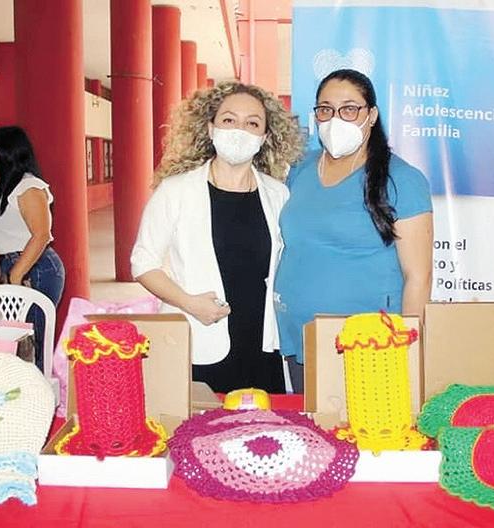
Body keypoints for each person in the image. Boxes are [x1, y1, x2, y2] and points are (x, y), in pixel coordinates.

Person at [131, 81, 304, 393]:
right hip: (199, 335)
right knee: (201, 421)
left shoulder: (278, 194)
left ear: (265, 137)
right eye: (229, 120)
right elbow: (143, 263)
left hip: (261, 343)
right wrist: (189, 303)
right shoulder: (175, 191)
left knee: (264, 420)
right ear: (210, 128)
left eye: (252, 123)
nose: (240, 130)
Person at [274, 69, 434, 393]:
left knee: (365, 423)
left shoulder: (402, 179)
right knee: (311, 422)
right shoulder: (301, 168)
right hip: (298, 334)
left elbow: (419, 276)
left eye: (349, 109)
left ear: (371, 115)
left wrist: (407, 349)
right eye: (326, 109)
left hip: (369, 343)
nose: (335, 119)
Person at [0, 126, 65, 372]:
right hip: (14, 266)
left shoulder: (28, 186)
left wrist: (17, 275)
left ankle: (40, 389)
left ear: (6, 152)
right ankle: (26, 387)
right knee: (16, 338)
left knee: (34, 341)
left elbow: (41, 235)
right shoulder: (4, 187)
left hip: (34, 268)